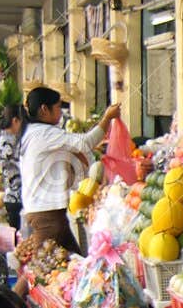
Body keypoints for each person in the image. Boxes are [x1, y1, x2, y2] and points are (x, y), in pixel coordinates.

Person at [19, 87, 119, 253]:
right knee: (43, 269)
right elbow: (86, 142)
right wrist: (107, 117)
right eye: (58, 107)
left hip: (44, 211)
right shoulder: (45, 134)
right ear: (44, 109)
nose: (61, 112)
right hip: (47, 214)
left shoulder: (32, 133)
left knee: (73, 265)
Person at [0, 104, 25, 231]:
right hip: (16, 196)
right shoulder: (7, 141)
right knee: (18, 236)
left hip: (15, 194)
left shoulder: (5, 137)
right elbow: (23, 165)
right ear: (15, 121)